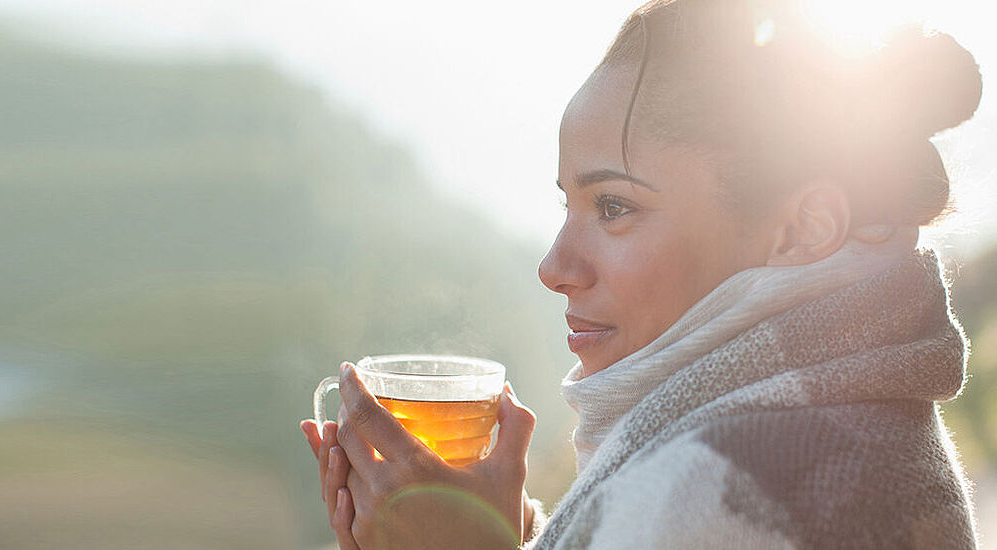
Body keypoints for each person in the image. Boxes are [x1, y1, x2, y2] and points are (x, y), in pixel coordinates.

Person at [299, 0, 984, 547]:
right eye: (569, 204)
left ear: (803, 229)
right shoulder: (851, 431)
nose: (553, 268)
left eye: (615, 206)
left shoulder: (717, 487)